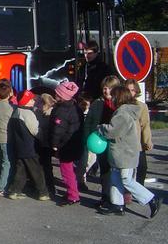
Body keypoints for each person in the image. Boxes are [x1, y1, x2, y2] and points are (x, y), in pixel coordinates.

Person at [96, 85, 161, 218]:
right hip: (122, 153)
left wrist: (100, 128)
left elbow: (112, 131)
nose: (111, 98)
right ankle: (117, 205)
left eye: (113, 96)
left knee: (126, 180)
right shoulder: (125, 111)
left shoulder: (122, 113)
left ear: (119, 97)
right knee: (115, 179)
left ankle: (151, 199)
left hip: (125, 154)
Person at [81, 75, 120, 207]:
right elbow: (88, 122)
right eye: (104, 88)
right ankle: (105, 197)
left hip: (117, 143)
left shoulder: (120, 105)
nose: (106, 90)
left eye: (109, 88)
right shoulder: (97, 103)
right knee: (104, 171)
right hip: (100, 142)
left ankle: (118, 199)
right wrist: (87, 138)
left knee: (117, 172)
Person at [5, 91, 50, 201]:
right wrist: (44, 139)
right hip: (29, 146)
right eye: (31, 99)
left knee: (21, 169)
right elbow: (35, 130)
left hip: (19, 145)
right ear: (26, 101)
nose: (34, 101)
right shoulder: (28, 113)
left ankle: (15, 191)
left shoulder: (16, 111)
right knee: (37, 170)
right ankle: (43, 193)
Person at [49, 81, 83, 206]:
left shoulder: (62, 111)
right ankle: (72, 191)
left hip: (65, 145)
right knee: (70, 170)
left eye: (57, 93)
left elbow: (57, 131)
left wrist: (54, 144)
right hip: (74, 142)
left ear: (62, 96)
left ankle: (73, 195)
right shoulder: (75, 107)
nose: (55, 95)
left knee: (66, 171)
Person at [124, 79, 152, 185]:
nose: (130, 93)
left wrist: (147, 141)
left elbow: (145, 125)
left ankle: (140, 188)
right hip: (124, 144)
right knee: (126, 171)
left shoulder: (142, 106)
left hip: (138, 144)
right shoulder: (120, 105)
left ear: (136, 91)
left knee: (142, 168)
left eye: (132, 90)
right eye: (127, 90)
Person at [0, 80, 14, 197]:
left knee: (0, 160)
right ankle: (1, 187)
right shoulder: (10, 108)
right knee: (7, 162)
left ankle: (1, 180)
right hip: (6, 138)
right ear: (9, 93)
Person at [35, 93, 57, 198]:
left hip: (46, 144)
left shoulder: (50, 113)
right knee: (42, 166)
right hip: (41, 142)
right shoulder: (40, 112)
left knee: (46, 167)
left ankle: (50, 187)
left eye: (39, 102)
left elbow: (44, 128)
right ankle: (43, 186)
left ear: (45, 103)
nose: (36, 104)